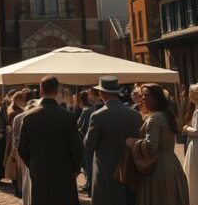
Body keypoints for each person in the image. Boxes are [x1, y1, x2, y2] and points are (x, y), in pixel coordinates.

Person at [15, 76, 82, 202]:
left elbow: (21, 149)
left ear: (40, 91)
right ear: (57, 92)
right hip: (64, 171)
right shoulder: (68, 117)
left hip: (39, 170)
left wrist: (33, 164)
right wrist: (75, 169)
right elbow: (76, 148)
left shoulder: (29, 117)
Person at [125, 83, 188, 205]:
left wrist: (132, 143)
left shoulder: (154, 119)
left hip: (158, 168)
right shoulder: (166, 115)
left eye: (146, 95)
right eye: (141, 95)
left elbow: (150, 147)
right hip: (172, 164)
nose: (142, 98)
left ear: (156, 97)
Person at [84, 76, 143, 205]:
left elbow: (89, 144)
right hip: (129, 169)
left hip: (105, 170)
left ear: (101, 93)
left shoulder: (98, 115)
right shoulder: (135, 115)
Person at [10, 98, 38, 204]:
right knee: (23, 175)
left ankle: (26, 197)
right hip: (22, 151)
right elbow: (15, 135)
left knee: (27, 176)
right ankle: (23, 195)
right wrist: (16, 150)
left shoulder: (32, 118)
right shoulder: (19, 118)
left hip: (28, 152)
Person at [5, 91, 28, 197]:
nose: (23, 101)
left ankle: (19, 187)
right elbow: (12, 127)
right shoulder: (13, 111)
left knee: (17, 165)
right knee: (15, 165)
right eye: (22, 99)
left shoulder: (17, 109)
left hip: (16, 138)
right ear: (18, 99)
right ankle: (17, 188)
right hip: (14, 139)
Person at [77, 88, 99, 197]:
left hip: (86, 142)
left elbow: (83, 128)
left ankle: (90, 187)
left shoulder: (88, 111)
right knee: (86, 166)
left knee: (88, 166)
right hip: (87, 141)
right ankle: (89, 184)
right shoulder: (90, 109)